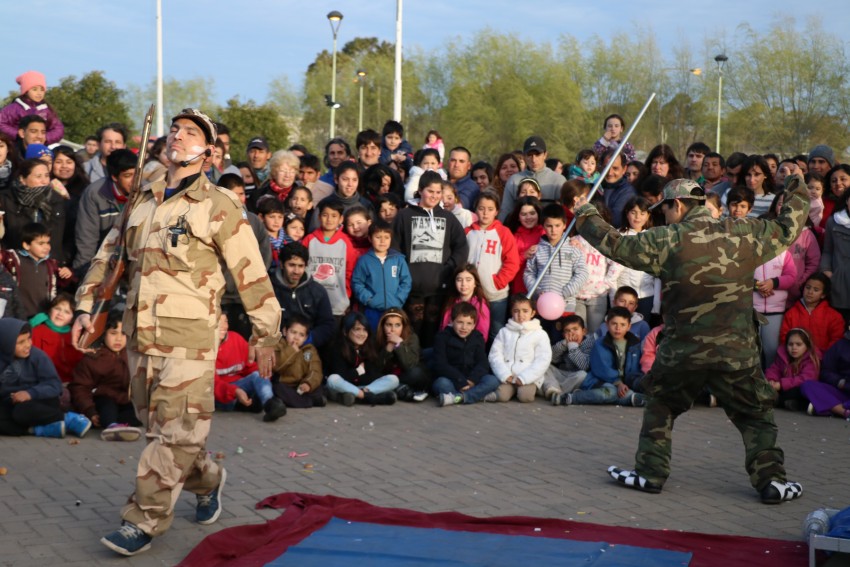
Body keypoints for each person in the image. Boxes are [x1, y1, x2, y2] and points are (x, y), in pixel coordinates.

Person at [72, 108, 282, 556]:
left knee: (173, 436)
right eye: (175, 129)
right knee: (167, 434)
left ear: (209, 151)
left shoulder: (217, 206)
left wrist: (266, 335)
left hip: (189, 340)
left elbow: (252, 274)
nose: (178, 136)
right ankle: (208, 479)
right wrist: (88, 306)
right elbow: (109, 258)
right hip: (140, 337)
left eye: (191, 133)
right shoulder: (141, 197)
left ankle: (143, 521)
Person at [575, 176, 808, 504]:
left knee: (662, 405)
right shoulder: (744, 233)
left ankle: (651, 473)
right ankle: (772, 480)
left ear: (679, 205)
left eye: (665, 209)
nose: (663, 216)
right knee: (755, 414)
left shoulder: (666, 239)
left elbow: (615, 244)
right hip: (736, 352)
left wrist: (586, 215)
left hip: (682, 352)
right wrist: (795, 187)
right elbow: (788, 227)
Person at [393, 170, 469, 347]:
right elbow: (394, 247)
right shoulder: (404, 216)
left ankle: (430, 371)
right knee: (411, 333)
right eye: (430, 191)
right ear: (420, 190)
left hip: (438, 289)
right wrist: (403, 273)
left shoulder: (448, 218)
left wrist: (449, 268)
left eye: (438, 192)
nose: (434, 196)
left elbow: (462, 246)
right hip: (411, 290)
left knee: (433, 334)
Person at [0, 318, 91, 438]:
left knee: (21, 412)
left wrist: (29, 393)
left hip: (40, 400)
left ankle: (67, 418)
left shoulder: (37, 357)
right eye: (21, 342)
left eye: (29, 339)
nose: (28, 345)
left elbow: (54, 385)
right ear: (6, 343)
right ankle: (38, 429)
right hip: (11, 403)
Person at [69, 310, 143, 441]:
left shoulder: (132, 355)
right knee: (107, 405)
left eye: (123, 334)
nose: (119, 339)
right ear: (103, 334)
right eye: (113, 333)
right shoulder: (93, 357)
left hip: (125, 400)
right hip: (100, 401)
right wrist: (90, 411)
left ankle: (120, 426)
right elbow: (80, 388)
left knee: (138, 413)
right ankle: (111, 426)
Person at [554, 306, 646, 406]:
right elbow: (603, 369)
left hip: (626, 382)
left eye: (623, 325)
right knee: (611, 392)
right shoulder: (600, 343)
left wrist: (630, 383)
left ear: (629, 326)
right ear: (607, 324)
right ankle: (572, 398)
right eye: (614, 324)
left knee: (643, 385)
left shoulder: (635, 344)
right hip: (603, 381)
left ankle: (634, 397)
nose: (618, 328)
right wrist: (618, 383)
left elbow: (635, 369)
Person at [523, 203, 588, 339]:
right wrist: (537, 291)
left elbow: (582, 273)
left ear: (564, 225)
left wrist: (564, 293)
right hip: (542, 306)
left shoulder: (573, 248)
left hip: (565, 306)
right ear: (543, 226)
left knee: (561, 340)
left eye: (557, 226)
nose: (553, 230)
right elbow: (528, 273)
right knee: (542, 339)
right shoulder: (537, 250)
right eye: (549, 226)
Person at [465, 191, 520, 341]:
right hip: (471, 292)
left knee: (496, 331)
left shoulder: (503, 232)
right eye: (481, 208)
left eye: (490, 209)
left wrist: (498, 282)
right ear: (476, 209)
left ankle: (493, 362)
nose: (485, 213)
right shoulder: (468, 232)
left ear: (497, 211)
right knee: (471, 328)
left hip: (496, 294)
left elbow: (512, 262)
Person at [73, 148, 137, 275]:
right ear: (114, 177)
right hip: (102, 260)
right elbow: (87, 238)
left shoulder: (146, 192)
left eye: (137, 174)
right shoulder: (95, 194)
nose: (134, 180)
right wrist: (84, 273)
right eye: (127, 176)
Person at [213, 315, 286, 422]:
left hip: (239, 385)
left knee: (259, 374)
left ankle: (270, 404)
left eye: (226, 321)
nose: (223, 326)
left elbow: (250, 366)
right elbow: (212, 383)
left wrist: (264, 374)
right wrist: (235, 391)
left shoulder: (236, 339)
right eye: (218, 323)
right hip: (220, 392)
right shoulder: (204, 347)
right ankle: (248, 403)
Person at [0, 160, 69, 269]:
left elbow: (62, 235)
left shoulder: (56, 199)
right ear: (23, 179)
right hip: (13, 262)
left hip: (48, 264)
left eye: (46, 176)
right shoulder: (6, 199)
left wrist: (60, 262)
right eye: (38, 176)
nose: (44, 181)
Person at [431, 301, 499, 407]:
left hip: (471, 380)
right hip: (451, 379)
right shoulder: (442, 337)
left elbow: (482, 363)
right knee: (441, 383)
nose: (464, 327)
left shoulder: (477, 337)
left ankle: (459, 397)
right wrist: (460, 381)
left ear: (474, 325)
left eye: (469, 323)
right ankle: (475, 396)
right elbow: (440, 365)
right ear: (451, 321)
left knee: (492, 380)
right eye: (460, 322)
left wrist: (472, 380)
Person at [325, 312, 398, 406]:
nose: (362, 334)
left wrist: (358, 378)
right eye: (357, 329)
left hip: (362, 387)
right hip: (340, 387)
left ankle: (358, 395)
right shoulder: (338, 348)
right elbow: (342, 377)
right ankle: (368, 397)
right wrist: (358, 371)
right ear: (345, 331)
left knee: (393, 379)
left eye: (365, 330)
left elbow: (372, 375)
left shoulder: (368, 347)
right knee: (333, 379)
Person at [270, 243, 335, 350]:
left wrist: (307, 340)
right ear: (281, 264)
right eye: (291, 265)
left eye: (301, 266)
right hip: (275, 349)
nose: (296, 271)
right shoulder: (269, 290)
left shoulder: (318, 291)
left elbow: (327, 324)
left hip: (308, 349)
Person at [488, 294, 552, 403]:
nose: (520, 315)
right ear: (511, 312)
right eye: (516, 311)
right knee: (502, 396)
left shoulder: (540, 334)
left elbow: (543, 359)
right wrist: (504, 374)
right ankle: (508, 390)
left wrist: (524, 378)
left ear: (532, 313)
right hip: (508, 376)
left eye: (525, 311)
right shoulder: (504, 332)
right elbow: (495, 355)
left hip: (528, 377)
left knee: (525, 397)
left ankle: (536, 388)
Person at [0, 222, 71, 319]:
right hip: (16, 315)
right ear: (26, 245)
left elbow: (61, 284)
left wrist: (66, 275)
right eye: (41, 243)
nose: (46, 247)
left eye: (48, 242)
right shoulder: (12, 259)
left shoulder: (51, 264)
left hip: (42, 317)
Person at [302, 198, 357, 321]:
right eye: (325, 215)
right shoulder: (309, 240)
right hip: (311, 302)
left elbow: (350, 272)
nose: (329, 219)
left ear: (341, 219)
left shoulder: (346, 243)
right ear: (319, 217)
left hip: (337, 303)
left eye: (334, 216)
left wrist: (346, 295)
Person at [351, 221, 412, 330]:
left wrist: (399, 299)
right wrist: (369, 299)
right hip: (372, 310)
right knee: (374, 337)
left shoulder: (398, 259)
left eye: (386, 237)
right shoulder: (364, 260)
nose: (382, 241)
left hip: (394, 309)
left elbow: (406, 281)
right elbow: (357, 283)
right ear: (370, 238)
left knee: (391, 336)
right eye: (378, 237)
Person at [499, 136, 567, 222]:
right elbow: (505, 212)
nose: (534, 159)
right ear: (524, 156)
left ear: (545, 155)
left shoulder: (558, 181)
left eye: (537, 154)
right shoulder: (513, 181)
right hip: (520, 233)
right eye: (529, 155)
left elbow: (565, 213)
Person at [29, 293, 83, 395]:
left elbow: (80, 366)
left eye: (67, 312)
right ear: (50, 311)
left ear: (72, 318)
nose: (60, 314)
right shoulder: (37, 331)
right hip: (42, 384)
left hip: (71, 384)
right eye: (57, 308)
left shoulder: (75, 336)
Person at [375, 308, 431, 402]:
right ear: (383, 325)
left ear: (403, 326)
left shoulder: (412, 338)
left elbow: (409, 364)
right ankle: (401, 389)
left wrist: (399, 345)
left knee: (417, 373)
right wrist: (389, 347)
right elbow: (378, 367)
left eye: (397, 325)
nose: (393, 329)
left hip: (405, 375)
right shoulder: (377, 338)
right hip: (388, 376)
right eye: (389, 325)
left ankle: (399, 388)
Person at [779, 272, 845, 352]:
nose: (810, 292)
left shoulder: (834, 316)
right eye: (808, 287)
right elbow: (784, 338)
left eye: (816, 290)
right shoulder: (791, 313)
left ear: (823, 295)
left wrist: (820, 357)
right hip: (796, 360)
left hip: (823, 360)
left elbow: (836, 341)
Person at [270, 314, 325, 409]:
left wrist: (308, 384)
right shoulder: (278, 345)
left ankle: (299, 400)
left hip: (300, 386)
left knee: (319, 387)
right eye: (293, 332)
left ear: (306, 337)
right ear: (285, 331)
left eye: (301, 335)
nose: (296, 337)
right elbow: (276, 366)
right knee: (277, 389)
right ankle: (309, 402)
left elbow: (315, 370)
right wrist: (291, 351)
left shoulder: (309, 350)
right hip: (285, 385)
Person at [0, 71, 64, 146]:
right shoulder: (13, 108)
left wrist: (44, 137)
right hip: (17, 148)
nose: (39, 93)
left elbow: (58, 129)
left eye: (42, 89)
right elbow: (1, 124)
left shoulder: (47, 110)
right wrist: (19, 135)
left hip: (39, 148)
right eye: (34, 89)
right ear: (26, 91)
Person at [800, 323, 850, 418]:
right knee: (807, 386)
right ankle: (843, 412)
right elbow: (826, 371)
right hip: (842, 389)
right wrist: (840, 382)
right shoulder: (840, 345)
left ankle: (828, 408)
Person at [542, 314, 595, 402]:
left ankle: (557, 392)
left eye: (575, 329)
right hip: (563, 374)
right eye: (567, 331)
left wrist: (573, 346)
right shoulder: (564, 342)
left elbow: (584, 366)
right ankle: (554, 389)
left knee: (583, 375)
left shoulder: (589, 343)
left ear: (584, 331)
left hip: (576, 377)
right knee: (545, 366)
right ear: (563, 334)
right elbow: (552, 358)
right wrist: (564, 344)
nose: (571, 333)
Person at [764, 328, 820, 412]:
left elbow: (806, 378)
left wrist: (781, 384)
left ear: (807, 345)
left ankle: (780, 402)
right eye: (790, 344)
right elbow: (774, 369)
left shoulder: (811, 359)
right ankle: (785, 403)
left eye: (798, 344)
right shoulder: (783, 356)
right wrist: (771, 379)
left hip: (799, 389)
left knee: (799, 391)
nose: (794, 348)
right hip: (783, 387)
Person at [820, 184, 850, 321]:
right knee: (840, 324)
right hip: (840, 280)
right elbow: (827, 250)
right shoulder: (834, 221)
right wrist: (827, 271)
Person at [505, 196, 544, 295]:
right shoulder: (512, 237)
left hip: (543, 289)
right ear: (518, 217)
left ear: (538, 214)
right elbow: (506, 265)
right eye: (523, 214)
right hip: (520, 290)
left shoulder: (546, 233)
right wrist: (523, 256)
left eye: (532, 213)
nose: (528, 218)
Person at [440, 264, 490, 340]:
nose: (463, 284)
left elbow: (482, 336)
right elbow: (442, 327)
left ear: (475, 283)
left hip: (467, 348)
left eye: (468, 280)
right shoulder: (451, 302)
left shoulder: (481, 306)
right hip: (447, 344)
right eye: (459, 280)